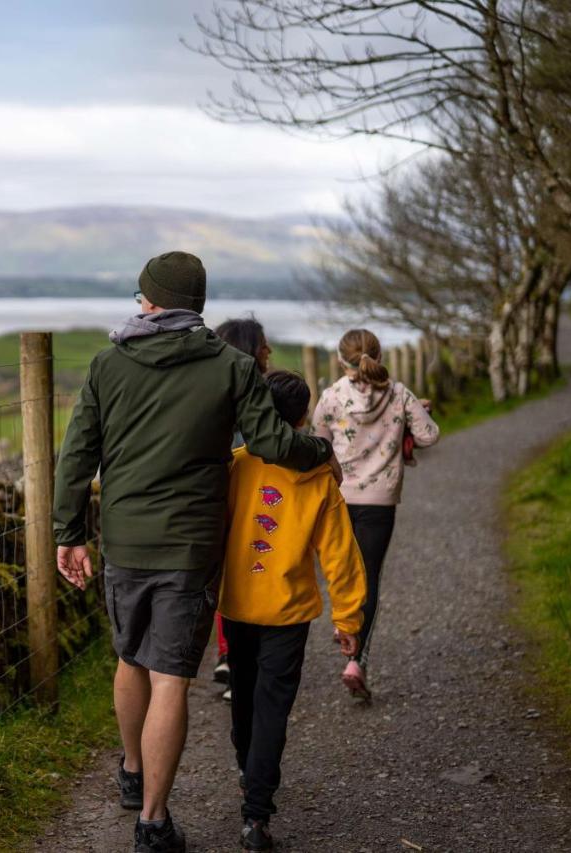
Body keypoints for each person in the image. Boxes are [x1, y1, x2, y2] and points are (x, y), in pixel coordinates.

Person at [53, 251, 340, 853]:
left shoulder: (109, 364)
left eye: (142, 296)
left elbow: (77, 454)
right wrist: (318, 452)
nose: (138, 305)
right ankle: (153, 823)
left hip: (126, 538)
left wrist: (68, 533)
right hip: (190, 546)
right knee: (170, 679)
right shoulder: (232, 366)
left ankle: (133, 771)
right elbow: (268, 440)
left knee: (130, 659)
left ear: (154, 302)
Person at [219, 369, 367, 851]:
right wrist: (349, 620)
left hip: (237, 604)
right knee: (272, 708)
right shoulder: (318, 476)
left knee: (243, 695)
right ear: (304, 417)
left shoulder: (237, 466)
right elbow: (341, 556)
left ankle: (248, 772)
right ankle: (256, 815)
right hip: (289, 612)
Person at [312, 329, 440, 701]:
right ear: (378, 357)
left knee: (338, 569)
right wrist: (418, 414)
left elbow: (318, 444)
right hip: (380, 501)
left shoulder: (332, 397)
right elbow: (429, 436)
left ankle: (342, 623)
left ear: (341, 360)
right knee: (369, 577)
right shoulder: (399, 394)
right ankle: (357, 662)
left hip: (337, 498)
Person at [211, 317, 273, 701]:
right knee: (250, 574)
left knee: (228, 577)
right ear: (250, 350)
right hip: (254, 500)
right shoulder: (262, 393)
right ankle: (239, 657)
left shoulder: (209, 391)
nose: (269, 351)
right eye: (264, 344)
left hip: (217, 498)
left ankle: (228, 654)